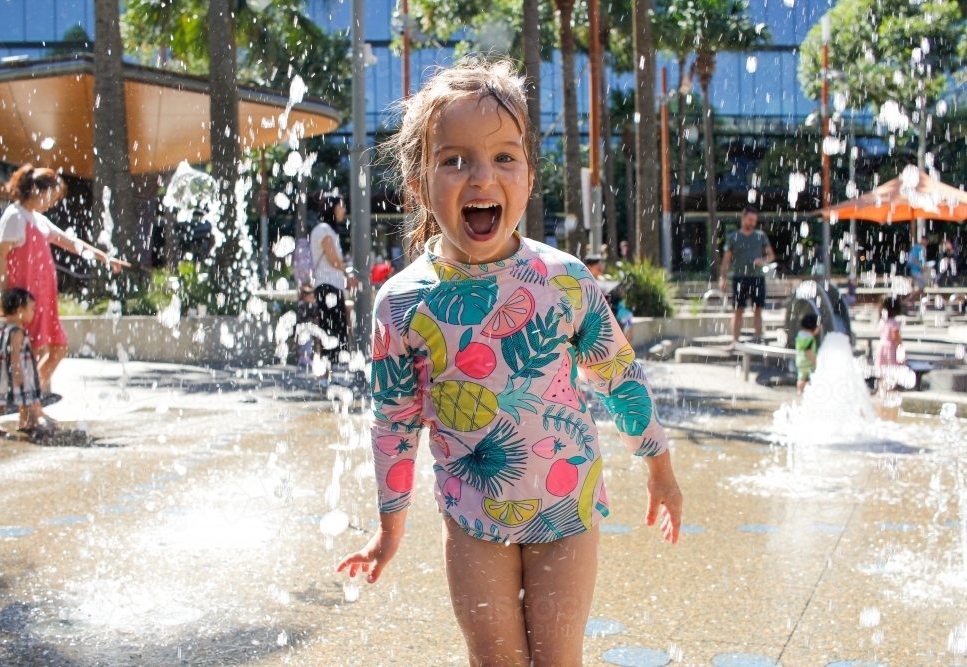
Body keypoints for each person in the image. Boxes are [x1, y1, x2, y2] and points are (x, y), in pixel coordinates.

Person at [336, 59, 682, 666]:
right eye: (453, 159)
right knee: (494, 658)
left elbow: (617, 372)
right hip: (472, 514)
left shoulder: (563, 280)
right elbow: (393, 423)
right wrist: (391, 527)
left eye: (503, 157)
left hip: (565, 501)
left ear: (526, 175)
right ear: (418, 183)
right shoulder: (402, 304)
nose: (480, 177)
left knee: (556, 657)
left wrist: (658, 463)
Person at [0, 165, 126, 395]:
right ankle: (28, 412)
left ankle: (33, 398)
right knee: (31, 351)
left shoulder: (38, 220)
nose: (52, 203)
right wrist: (7, 295)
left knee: (59, 347)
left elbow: (71, 242)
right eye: (51, 196)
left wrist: (105, 258)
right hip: (24, 299)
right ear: (35, 189)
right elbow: (0, 255)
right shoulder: (15, 216)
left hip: (43, 299)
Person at [0, 288, 47, 439]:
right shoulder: (17, 331)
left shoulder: (8, 328)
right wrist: (18, 373)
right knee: (28, 399)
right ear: (19, 310)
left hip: (4, 372)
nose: (33, 312)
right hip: (15, 371)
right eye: (31, 309)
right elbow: (14, 355)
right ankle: (32, 423)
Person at [309, 194, 356, 380]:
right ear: (332, 208)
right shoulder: (323, 229)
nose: (343, 210)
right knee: (332, 329)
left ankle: (330, 373)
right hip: (327, 286)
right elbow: (333, 259)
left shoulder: (328, 230)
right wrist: (348, 274)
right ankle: (328, 374)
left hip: (329, 286)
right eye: (341, 206)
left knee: (333, 328)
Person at [719, 205, 775, 347]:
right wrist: (722, 278)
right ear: (743, 218)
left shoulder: (760, 236)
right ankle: (735, 341)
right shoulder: (733, 237)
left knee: (758, 310)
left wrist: (763, 260)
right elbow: (726, 259)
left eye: (754, 220)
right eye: (750, 219)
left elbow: (771, 255)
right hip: (739, 278)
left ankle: (758, 339)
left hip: (757, 278)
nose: (752, 223)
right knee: (738, 310)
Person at [794, 313, 819, 394]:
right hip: (808, 363)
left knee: (801, 378)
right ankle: (808, 392)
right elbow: (808, 351)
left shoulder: (800, 335)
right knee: (810, 378)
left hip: (799, 361)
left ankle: (799, 391)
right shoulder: (810, 338)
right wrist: (815, 363)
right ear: (813, 327)